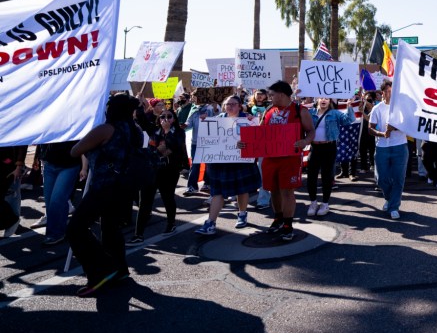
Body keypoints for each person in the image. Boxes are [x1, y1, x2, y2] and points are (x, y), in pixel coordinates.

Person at [66, 94, 141, 297]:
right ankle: (120, 270)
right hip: (124, 187)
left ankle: (102, 270)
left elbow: (75, 151)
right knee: (110, 229)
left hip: (105, 186)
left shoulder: (105, 129)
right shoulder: (135, 130)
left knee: (75, 228)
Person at [252, 81, 314, 240]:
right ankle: (278, 218)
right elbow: (260, 133)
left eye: (272, 95)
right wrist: (246, 143)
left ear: (282, 94)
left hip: (290, 159)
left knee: (287, 191)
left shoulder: (300, 110)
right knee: (273, 189)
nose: (269, 97)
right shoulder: (268, 110)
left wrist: (305, 142)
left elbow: (310, 131)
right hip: (270, 158)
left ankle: (288, 224)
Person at [196, 95, 261, 235]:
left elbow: (256, 140)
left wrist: (246, 143)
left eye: (233, 104)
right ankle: (210, 223)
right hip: (220, 163)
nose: (230, 106)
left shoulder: (248, 120)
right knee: (217, 193)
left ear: (240, 106)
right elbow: (208, 138)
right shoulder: (217, 120)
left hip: (240, 162)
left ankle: (242, 214)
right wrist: (204, 122)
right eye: (227, 104)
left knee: (242, 190)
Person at [131, 108, 186, 242]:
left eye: (169, 116)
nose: (165, 119)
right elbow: (142, 122)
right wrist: (139, 105)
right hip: (151, 170)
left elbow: (174, 148)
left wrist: (167, 132)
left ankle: (171, 224)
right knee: (144, 201)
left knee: (167, 197)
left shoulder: (179, 132)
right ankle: (138, 234)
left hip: (169, 170)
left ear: (174, 119)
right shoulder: (154, 131)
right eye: (162, 117)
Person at [369, 81, 408, 219]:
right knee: (381, 179)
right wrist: (381, 133)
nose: (388, 93)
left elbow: (409, 126)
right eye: (386, 91)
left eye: (391, 91)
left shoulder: (401, 108)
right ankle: (389, 198)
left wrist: (394, 127)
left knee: (398, 178)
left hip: (400, 146)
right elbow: (370, 128)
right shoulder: (377, 109)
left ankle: (394, 207)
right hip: (382, 147)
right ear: (382, 93)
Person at [305, 97, 348, 217]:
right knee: (311, 176)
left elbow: (348, 120)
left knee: (327, 176)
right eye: (321, 97)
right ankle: (313, 202)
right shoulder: (310, 112)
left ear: (330, 101)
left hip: (329, 147)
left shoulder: (334, 113)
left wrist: (349, 107)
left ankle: (325, 203)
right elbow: (298, 118)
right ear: (317, 99)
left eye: (326, 98)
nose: (323, 100)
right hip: (314, 148)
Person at [37, 141, 83, 245]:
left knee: (57, 200)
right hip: (49, 163)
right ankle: (56, 232)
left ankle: (56, 234)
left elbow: (83, 140)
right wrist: (39, 157)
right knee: (50, 202)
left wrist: (84, 167)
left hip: (70, 165)